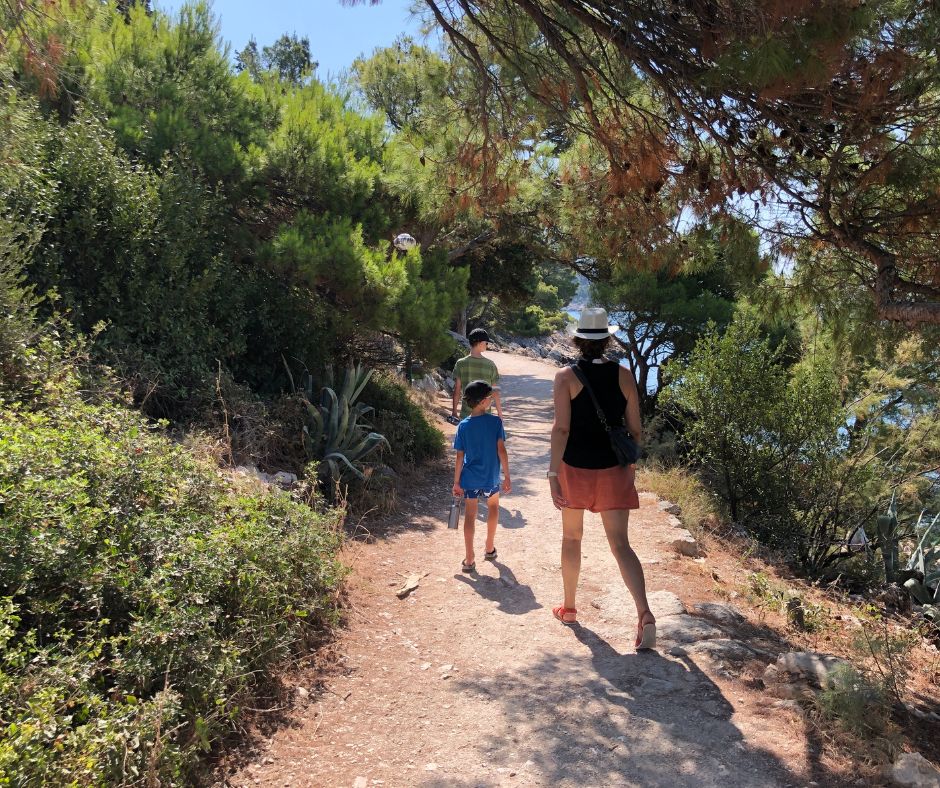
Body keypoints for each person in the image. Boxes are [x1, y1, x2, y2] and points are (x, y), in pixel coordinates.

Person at [546, 307, 656, 650]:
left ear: (577, 340)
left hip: (575, 468)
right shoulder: (624, 375)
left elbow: (561, 428)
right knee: (621, 544)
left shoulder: (565, 377)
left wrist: (552, 473)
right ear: (608, 339)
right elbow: (636, 430)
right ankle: (645, 614)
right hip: (614, 469)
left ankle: (569, 607)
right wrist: (631, 466)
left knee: (572, 539)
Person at [452, 380, 511, 573]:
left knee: (470, 515)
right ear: (485, 401)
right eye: (490, 397)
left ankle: (469, 559)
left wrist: (456, 482)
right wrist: (507, 476)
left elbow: (460, 457)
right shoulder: (495, 423)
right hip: (490, 477)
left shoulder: (463, 426)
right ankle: (489, 547)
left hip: (469, 478)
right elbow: (501, 451)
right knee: (493, 507)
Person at [451, 328, 503, 423]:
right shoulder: (490, 365)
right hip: (485, 415)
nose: (487, 345)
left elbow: (457, 390)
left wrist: (454, 411)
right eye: (486, 343)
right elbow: (495, 392)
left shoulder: (460, 363)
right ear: (479, 343)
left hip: (466, 416)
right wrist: (500, 415)